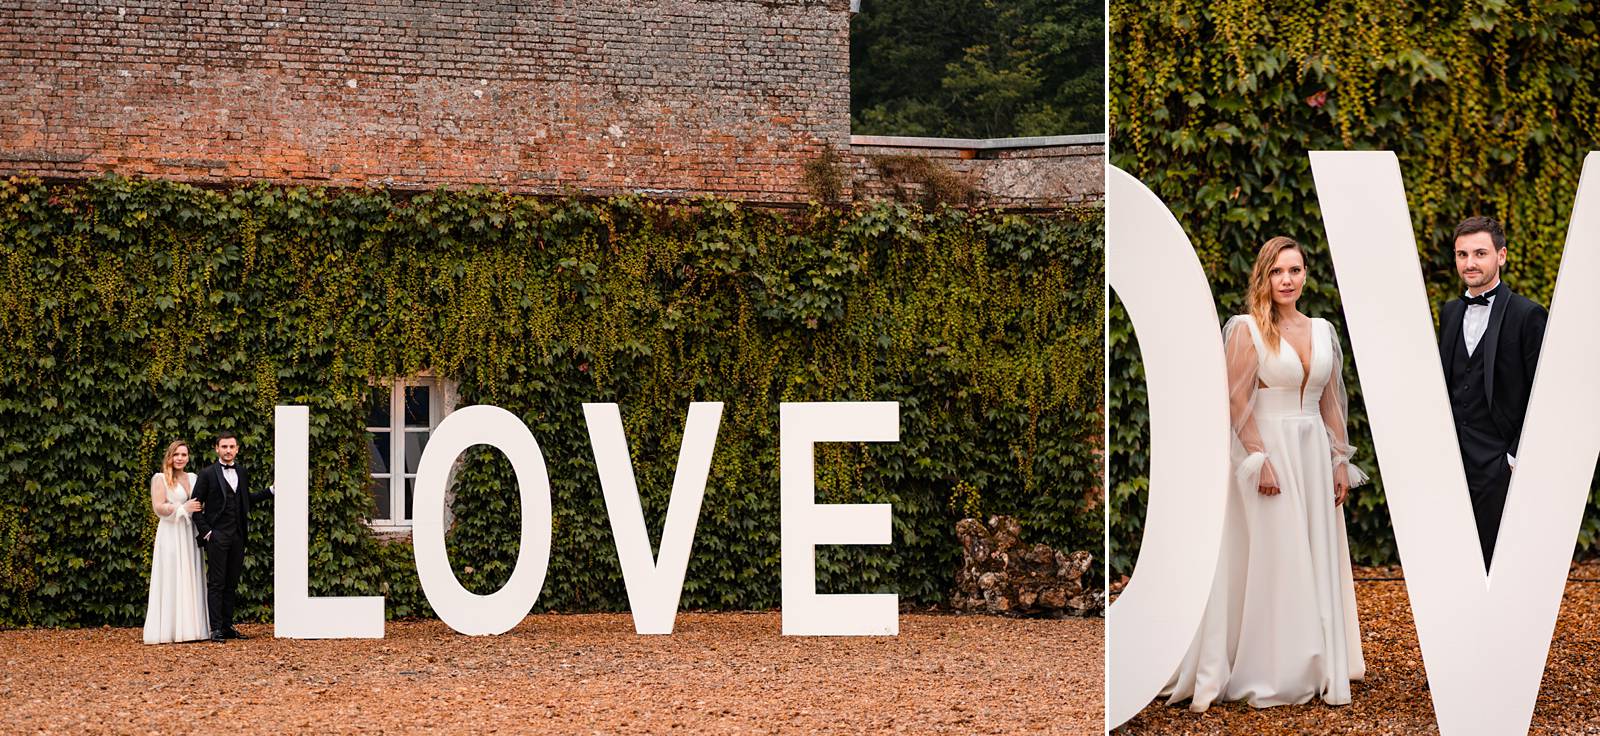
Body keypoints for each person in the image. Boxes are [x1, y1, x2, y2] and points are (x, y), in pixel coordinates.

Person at [1164, 236, 1367, 710]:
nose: (1287, 280)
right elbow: (1235, 398)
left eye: (1295, 270)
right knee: (1277, 556)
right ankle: (1274, 669)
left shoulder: (1322, 329)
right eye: (1278, 272)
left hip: (1313, 452)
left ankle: (1320, 662)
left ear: (1305, 275)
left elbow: (1332, 401)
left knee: (1314, 551)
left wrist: (1340, 460)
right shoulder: (1245, 329)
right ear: (1264, 276)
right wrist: (1259, 457)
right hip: (1269, 452)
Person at [1437, 216, 1546, 572]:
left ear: (1501, 256)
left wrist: (1514, 457)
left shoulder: (1527, 315)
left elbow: (1540, 394)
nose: (1469, 263)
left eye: (1480, 253)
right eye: (1462, 254)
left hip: (1499, 461)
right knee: (1456, 558)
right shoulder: (1450, 312)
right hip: (1453, 459)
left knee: (1502, 562)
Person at [191, 431, 273, 643]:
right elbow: (195, 505)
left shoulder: (242, 472)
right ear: (217, 449)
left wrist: (271, 491)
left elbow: (247, 499)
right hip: (217, 536)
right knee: (216, 583)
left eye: (231, 447)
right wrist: (207, 532)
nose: (228, 451)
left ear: (237, 449)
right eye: (224, 447)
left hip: (238, 535)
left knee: (231, 583)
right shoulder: (207, 474)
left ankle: (227, 626)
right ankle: (215, 628)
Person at [143, 440, 210, 644]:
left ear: (188, 457)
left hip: (190, 532)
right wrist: (182, 509)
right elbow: (158, 507)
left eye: (184, 454)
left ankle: (192, 628)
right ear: (170, 457)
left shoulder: (193, 477)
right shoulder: (161, 478)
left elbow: (201, 502)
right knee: (172, 573)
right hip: (171, 532)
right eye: (176, 454)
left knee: (190, 572)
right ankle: (169, 629)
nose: (180, 458)